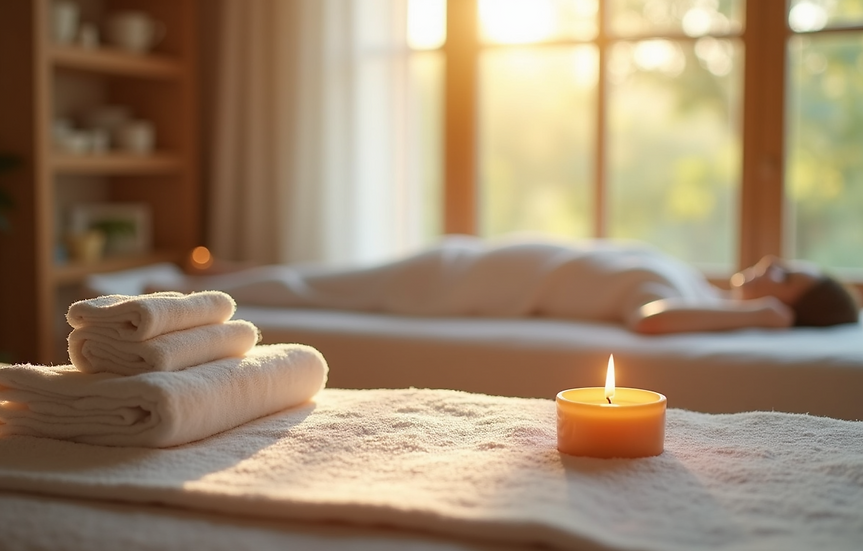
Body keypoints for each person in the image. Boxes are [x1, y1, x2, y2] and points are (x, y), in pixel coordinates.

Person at [180, 235, 860, 335]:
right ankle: (197, 272)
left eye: (786, 276)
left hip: (457, 285)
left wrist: (758, 318)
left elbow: (650, 319)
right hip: (469, 261)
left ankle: (186, 285)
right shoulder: (701, 290)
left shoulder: (687, 304)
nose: (772, 263)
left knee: (313, 288)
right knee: (315, 279)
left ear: (785, 304)